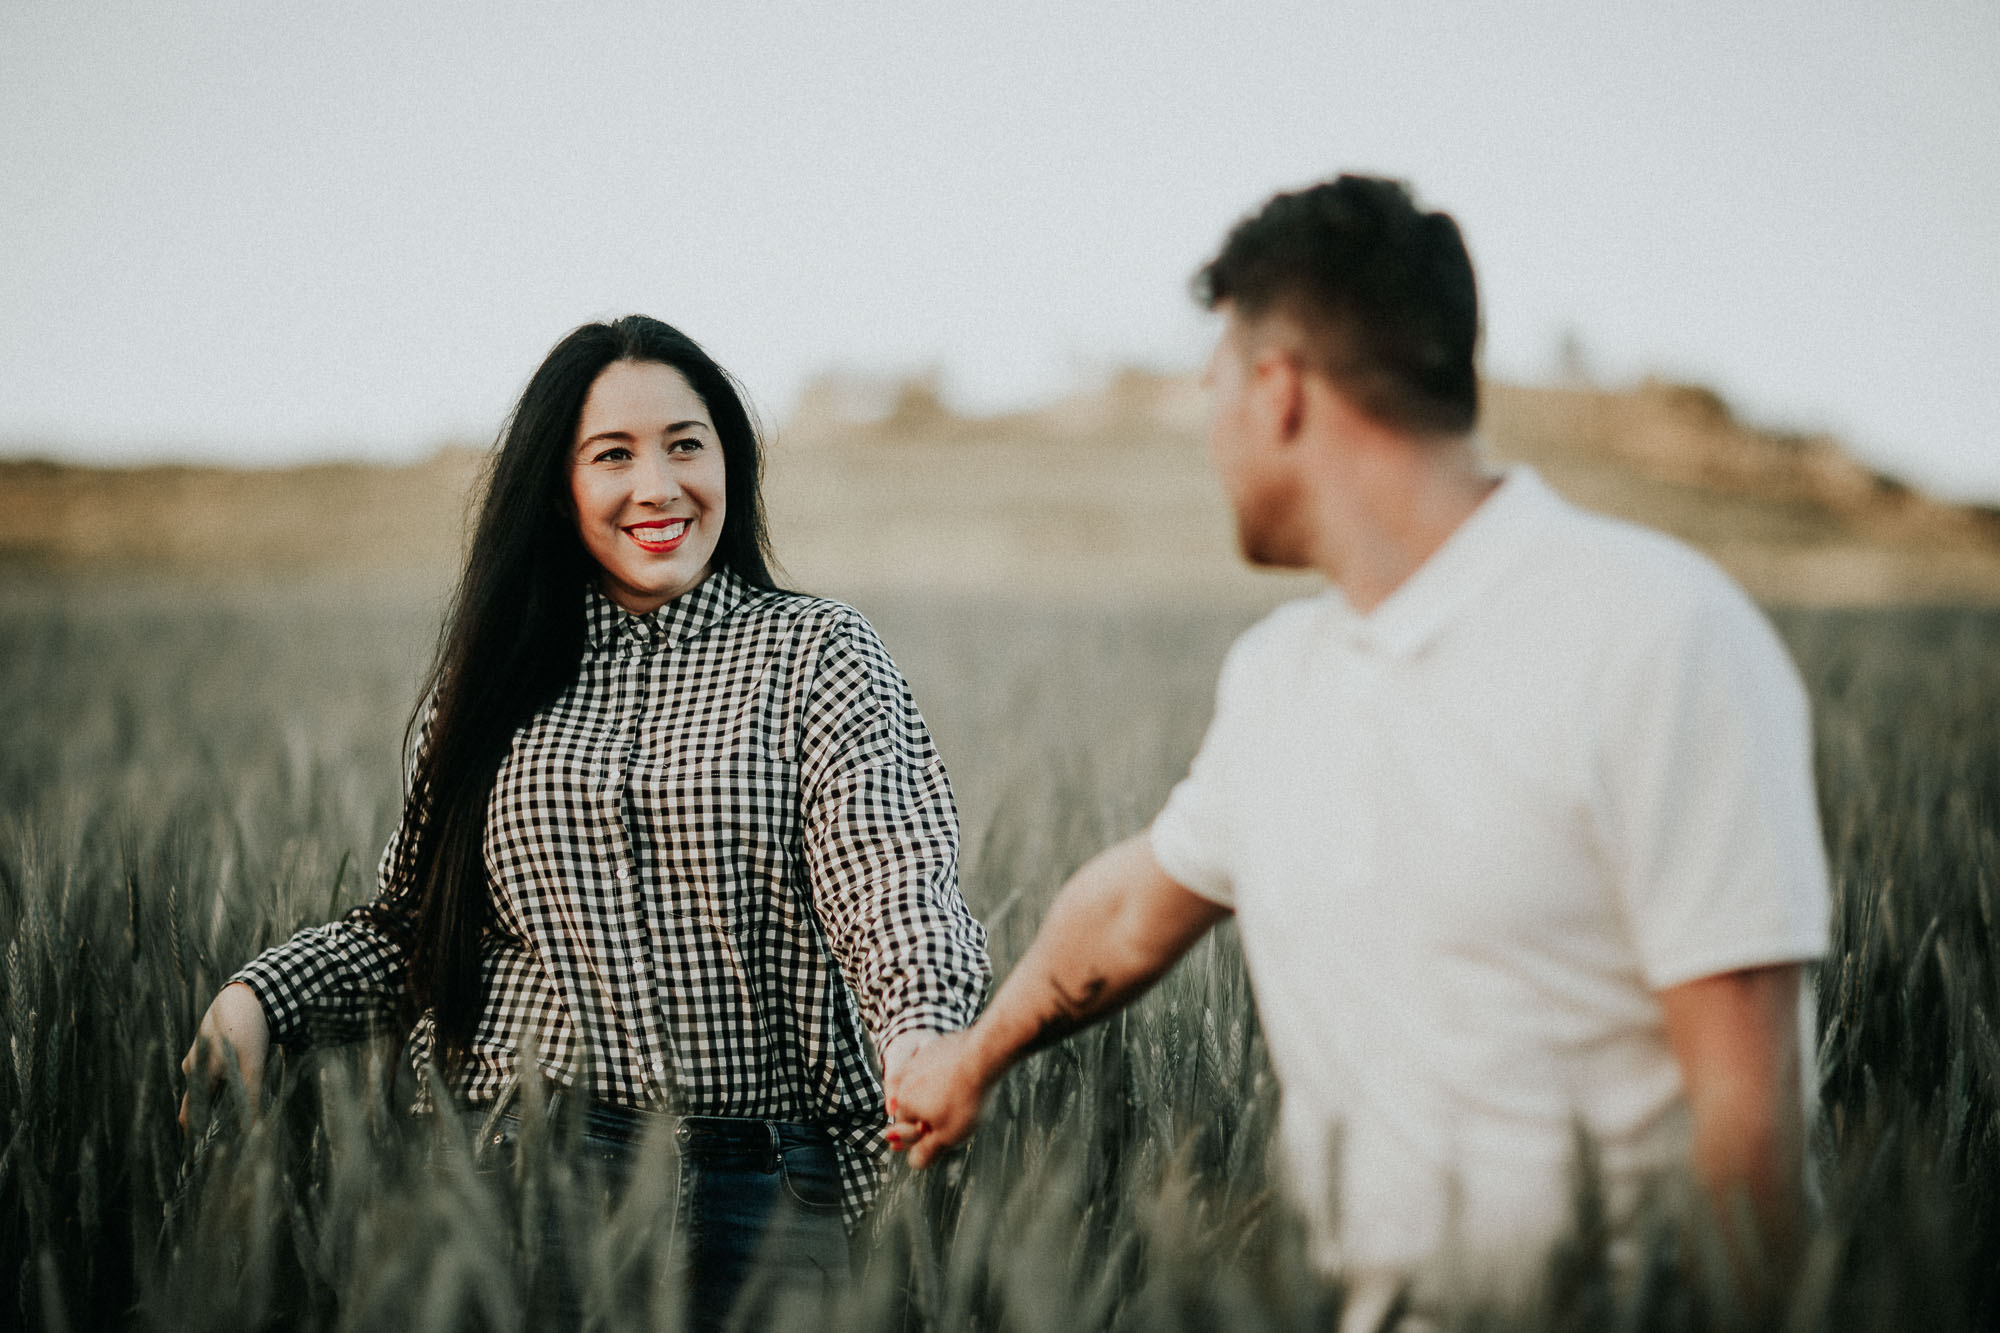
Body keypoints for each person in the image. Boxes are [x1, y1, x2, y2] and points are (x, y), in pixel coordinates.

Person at [886, 177, 1830, 1326]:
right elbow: (1137, 907)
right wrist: (972, 1055)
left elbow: (1751, 1123)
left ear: (1277, 392)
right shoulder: (1284, 672)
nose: (1210, 438)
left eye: (1213, 393)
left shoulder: (1653, 636)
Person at [180, 315, 991, 1329]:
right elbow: (411, 928)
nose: (657, 485)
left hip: (770, 1192)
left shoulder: (815, 654)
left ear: (728, 462)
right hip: (524, 1176)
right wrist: (264, 998)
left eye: (685, 444)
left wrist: (921, 1029)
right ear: (557, 487)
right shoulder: (494, 683)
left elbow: (890, 875)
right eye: (612, 454)